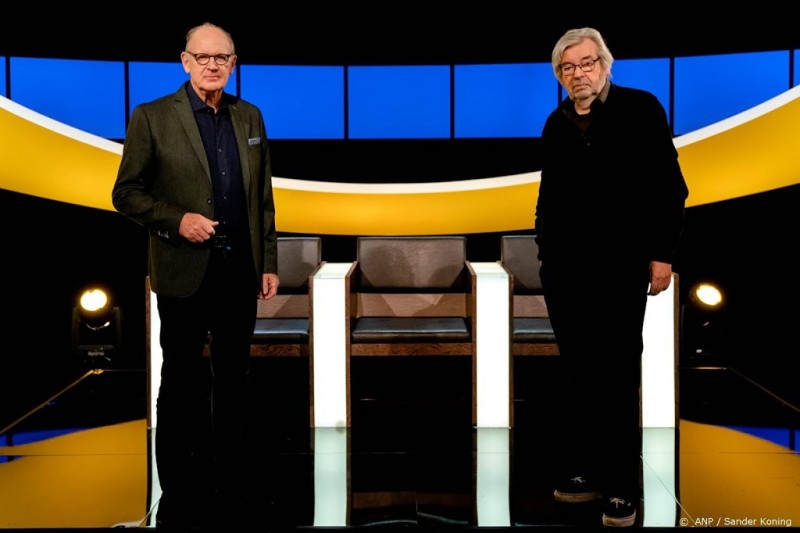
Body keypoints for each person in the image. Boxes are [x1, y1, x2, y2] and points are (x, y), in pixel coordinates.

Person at [112, 22, 279, 529]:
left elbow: (263, 199)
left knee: (234, 378)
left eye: (221, 58)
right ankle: (178, 486)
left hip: (239, 271)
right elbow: (126, 193)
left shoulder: (250, 116)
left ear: (233, 64)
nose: (212, 65)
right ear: (185, 62)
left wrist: (269, 262)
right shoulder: (152, 116)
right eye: (202, 57)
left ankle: (230, 478)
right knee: (181, 379)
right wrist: (176, 219)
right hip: (183, 269)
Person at [534, 27, 688, 528]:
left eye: (586, 63)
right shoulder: (555, 123)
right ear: (560, 76)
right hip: (565, 271)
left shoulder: (640, 108)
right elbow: (549, 195)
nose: (578, 74)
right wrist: (544, 250)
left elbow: (669, 186)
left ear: (605, 65)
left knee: (617, 374)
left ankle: (622, 486)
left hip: (620, 267)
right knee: (580, 375)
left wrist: (662, 253)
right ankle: (590, 471)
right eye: (568, 67)